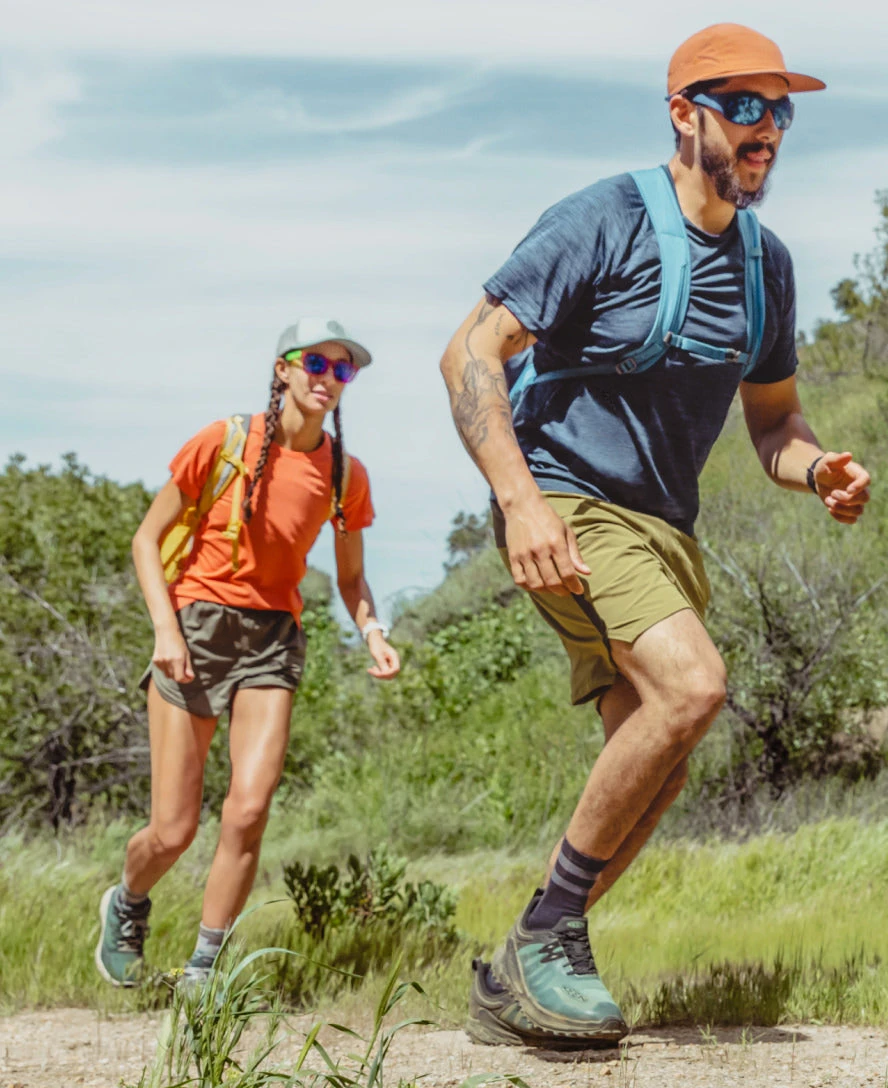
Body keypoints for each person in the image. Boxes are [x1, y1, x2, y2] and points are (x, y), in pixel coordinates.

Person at [440, 24, 872, 1047]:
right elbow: (469, 352)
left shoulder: (768, 267)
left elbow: (773, 423)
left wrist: (820, 470)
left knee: (661, 753)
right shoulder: (604, 219)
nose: (767, 130)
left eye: (783, 111)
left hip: (661, 524)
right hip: (569, 500)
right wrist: (520, 499)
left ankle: (521, 973)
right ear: (685, 113)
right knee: (694, 685)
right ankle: (550, 935)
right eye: (746, 106)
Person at [96, 317, 400, 987]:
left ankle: (204, 972)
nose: (328, 378)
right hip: (196, 630)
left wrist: (373, 632)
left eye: (342, 369)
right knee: (173, 830)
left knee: (249, 808)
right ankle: (128, 902)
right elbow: (148, 541)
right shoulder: (225, 440)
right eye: (315, 364)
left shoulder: (345, 474)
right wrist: (166, 632)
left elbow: (350, 579)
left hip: (271, 640)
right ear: (282, 370)